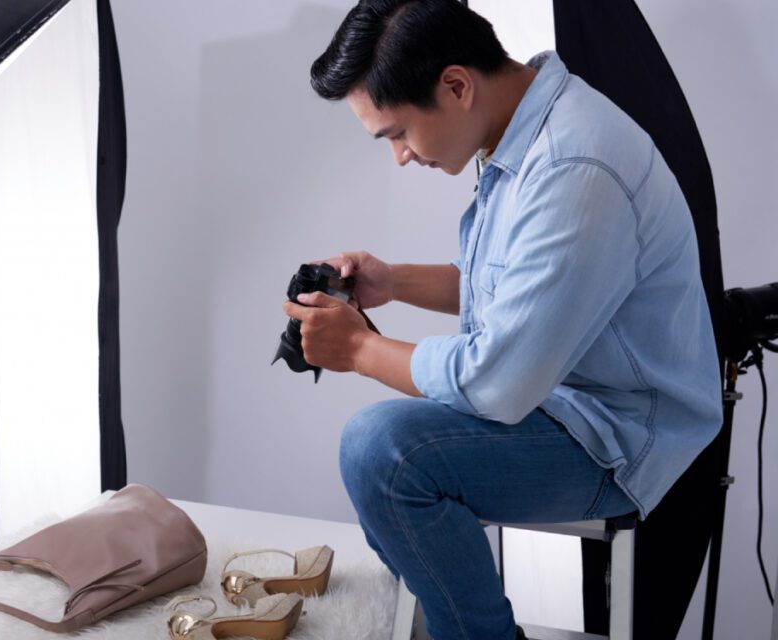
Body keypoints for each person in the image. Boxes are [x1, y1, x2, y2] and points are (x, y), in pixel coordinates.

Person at [280, 1, 723, 639]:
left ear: (456, 85)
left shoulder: (574, 166)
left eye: (398, 133)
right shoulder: (526, 129)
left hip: (617, 438)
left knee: (383, 454)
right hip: (563, 400)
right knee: (386, 465)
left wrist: (357, 351)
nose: (400, 156)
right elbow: (519, 298)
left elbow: (498, 383)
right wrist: (393, 281)